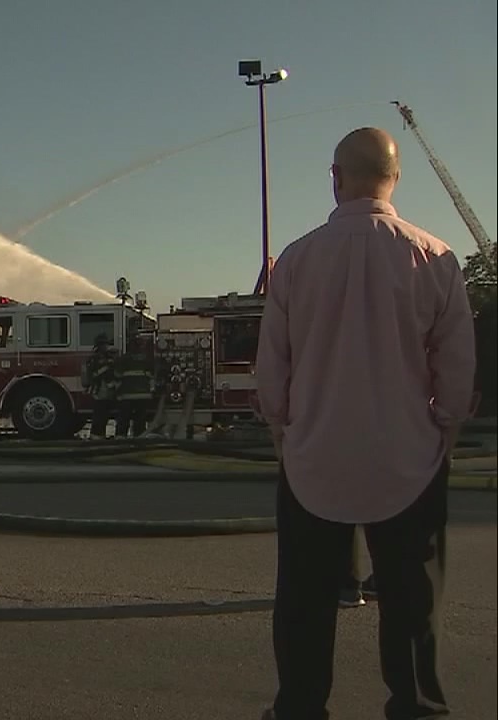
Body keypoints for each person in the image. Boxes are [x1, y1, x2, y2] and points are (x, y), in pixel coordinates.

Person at [256, 127, 475, 720]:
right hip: (408, 458)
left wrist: (283, 432)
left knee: (303, 603)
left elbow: (271, 369)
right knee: (411, 603)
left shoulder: (296, 261)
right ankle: (416, 707)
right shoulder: (436, 257)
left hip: (313, 459)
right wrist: (445, 430)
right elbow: (456, 369)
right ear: (395, 178)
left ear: (335, 177)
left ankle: (301, 708)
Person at [113, 334, 154, 438]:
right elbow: (152, 375)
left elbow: (117, 374)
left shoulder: (124, 359)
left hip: (127, 395)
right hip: (144, 395)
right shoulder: (147, 360)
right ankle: (138, 438)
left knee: (124, 417)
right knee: (140, 419)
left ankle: (121, 438)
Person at [80, 333, 119, 439]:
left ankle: (100, 435)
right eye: (104, 344)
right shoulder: (94, 359)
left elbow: (113, 372)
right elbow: (94, 375)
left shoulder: (108, 357)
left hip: (108, 391)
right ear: (99, 345)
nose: (106, 347)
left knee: (105, 415)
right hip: (98, 391)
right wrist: (107, 366)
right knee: (98, 414)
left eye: (106, 344)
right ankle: (95, 435)